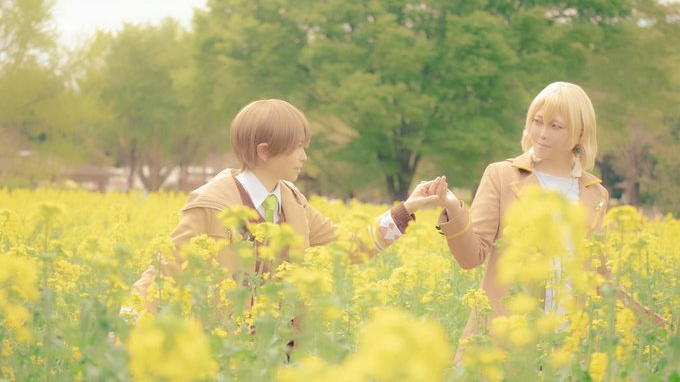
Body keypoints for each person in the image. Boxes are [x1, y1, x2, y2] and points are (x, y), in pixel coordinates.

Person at [129, 98, 440, 314]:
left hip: (283, 348)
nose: (304, 157)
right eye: (297, 148)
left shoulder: (292, 202)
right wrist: (127, 321)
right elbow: (165, 269)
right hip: (226, 349)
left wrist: (406, 209)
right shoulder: (211, 205)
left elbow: (347, 244)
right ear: (264, 151)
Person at [429, 82, 616, 361]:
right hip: (505, 345)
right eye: (537, 122)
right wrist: (454, 209)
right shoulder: (502, 176)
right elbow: (471, 257)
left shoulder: (596, 194)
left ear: (580, 133)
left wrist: (661, 323)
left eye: (555, 126)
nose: (542, 133)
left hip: (568, 352)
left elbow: (600, 278)